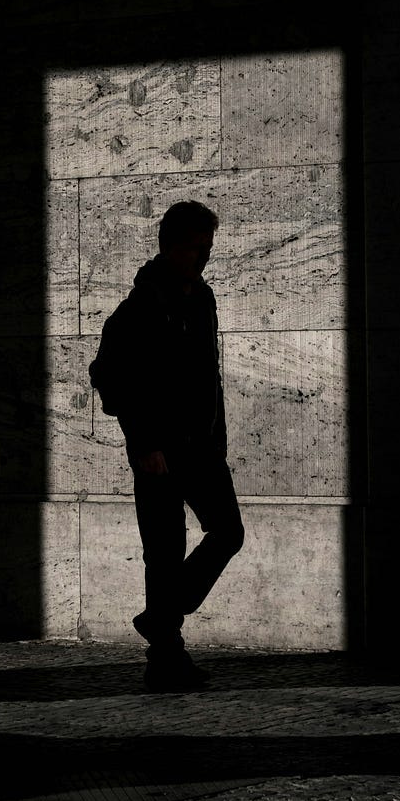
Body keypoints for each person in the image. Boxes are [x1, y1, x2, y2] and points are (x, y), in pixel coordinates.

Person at [90, 199, 244, 691]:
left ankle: (162, 615)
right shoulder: (139, 308)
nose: (205, 258)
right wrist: (145, 441)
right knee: (163, 550)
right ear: (172, 246)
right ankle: (166, 659)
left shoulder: (202, 299)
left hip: (201, 447)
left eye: (209, 249)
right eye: (197, 248)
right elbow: (110, 377)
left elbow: (205, 377)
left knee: (227, 531)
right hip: (157, 452)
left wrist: (216, 434)